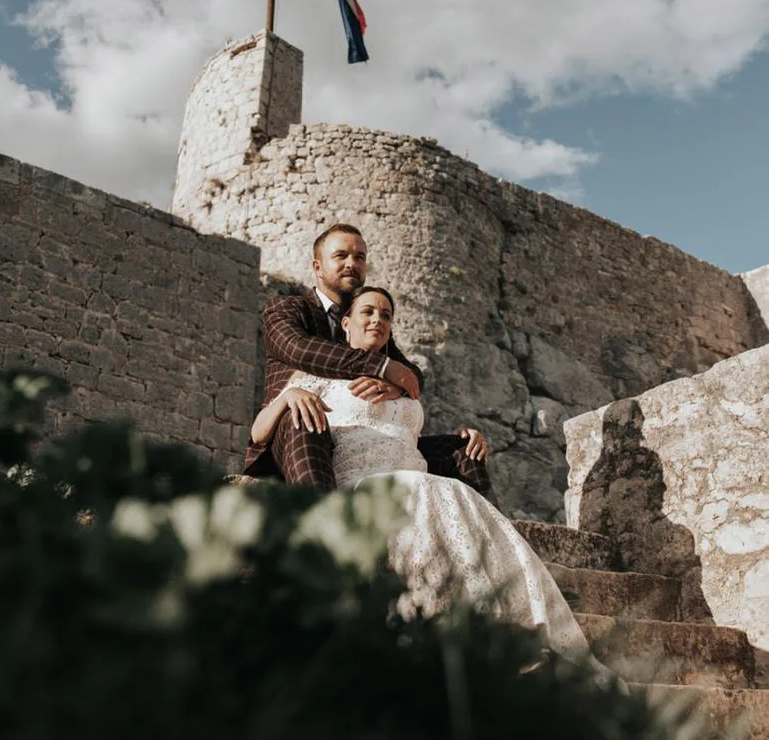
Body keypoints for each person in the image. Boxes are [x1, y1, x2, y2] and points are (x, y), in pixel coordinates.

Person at [251, 285, 604, 671]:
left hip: (420, 477)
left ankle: (506, 627)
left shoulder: (403, 387)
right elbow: (258, 432)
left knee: (451, 492)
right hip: (368, 482)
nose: (378, 320)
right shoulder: (319, 378)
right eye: (368, 312)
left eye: (386, 315)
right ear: (346, 323)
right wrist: (286, 399)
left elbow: (412, 436)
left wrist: (463, 437)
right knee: (423, 494)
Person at [244, 224, 491, 497]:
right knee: (304, 418)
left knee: (463, 449)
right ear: (317, 266)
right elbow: (299, 349)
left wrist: (396, 387)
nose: (352, 264)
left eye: (359, 257)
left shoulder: (369, 322)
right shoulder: (287, 309)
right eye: (341, 256)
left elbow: (409, 373)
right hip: (300, 433)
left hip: (370, 441)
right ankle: (324, 524)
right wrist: (383, 368)